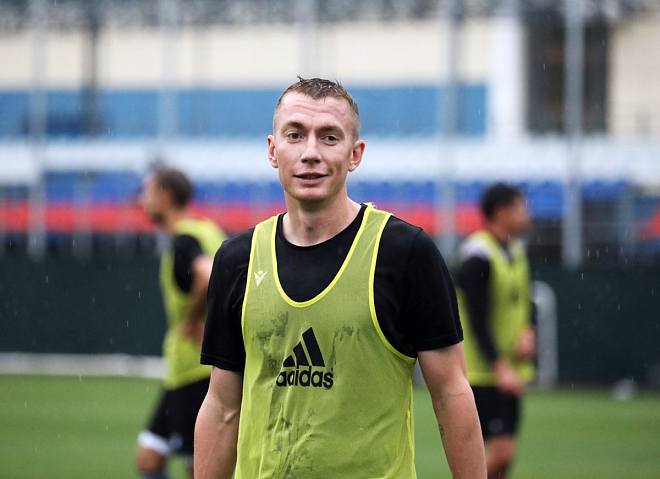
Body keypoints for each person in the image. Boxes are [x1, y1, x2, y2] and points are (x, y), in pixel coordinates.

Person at [194, 77, 486, 478]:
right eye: (295, 135)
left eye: (329, 137)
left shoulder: (405, 253)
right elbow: (222, 406)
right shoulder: (236, 259)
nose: (310, 153)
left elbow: (451, 393)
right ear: (273, 150)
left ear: (354, 154)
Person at [136, 168, 226, 479]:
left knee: (199, 468)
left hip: (196, 371)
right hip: (189, 371)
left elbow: (209, 275)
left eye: (147, 192)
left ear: (166, 195)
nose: (142, 200)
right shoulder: (208, 231)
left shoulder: (185, 239)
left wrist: (191, 321)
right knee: (149, 457)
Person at [454, 183, 536, 479]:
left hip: (510, 371)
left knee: (504, 461)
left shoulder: (516, 250)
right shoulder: (477, 256)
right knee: (501, 452)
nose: (527, 214)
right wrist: (500, 367)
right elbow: (476, 320)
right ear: (501, 212)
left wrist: (528, 331)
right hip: (483, 373)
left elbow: (523, 300)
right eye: (521, 207)